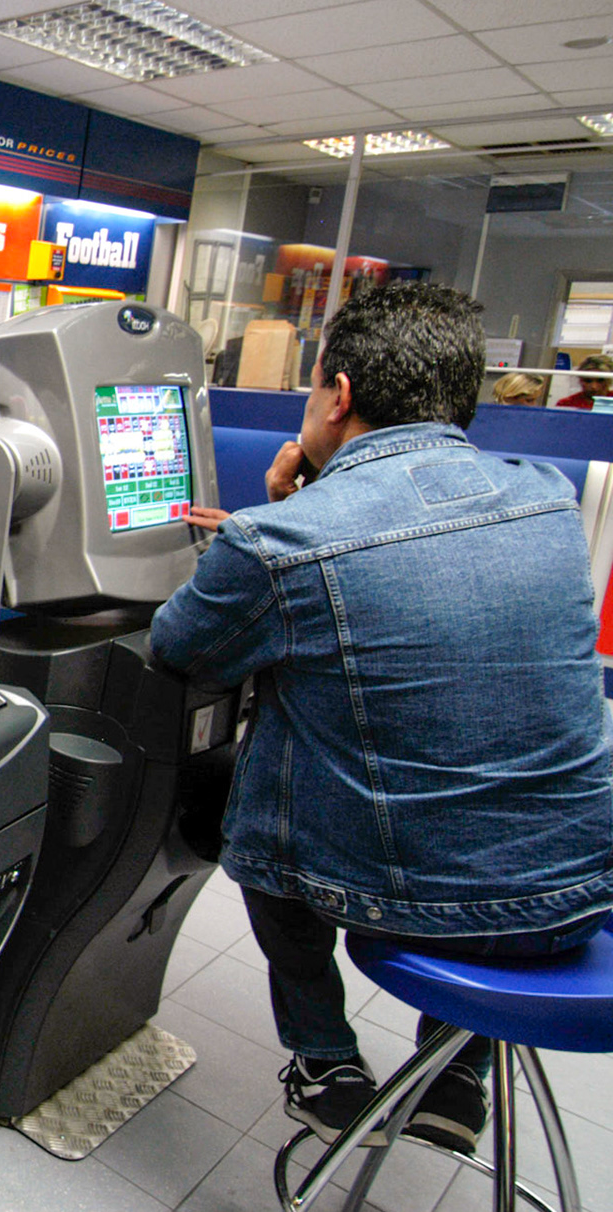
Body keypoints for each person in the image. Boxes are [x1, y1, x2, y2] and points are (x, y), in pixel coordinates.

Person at [151, 283, 613, 1155]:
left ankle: (325, 1060)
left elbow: (182, 649)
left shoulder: (282, 539)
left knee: (262, 797)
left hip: (411, 905)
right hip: (578, 897)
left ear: (341, 393)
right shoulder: (547, 495)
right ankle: (455, 1075)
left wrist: (276, 516)